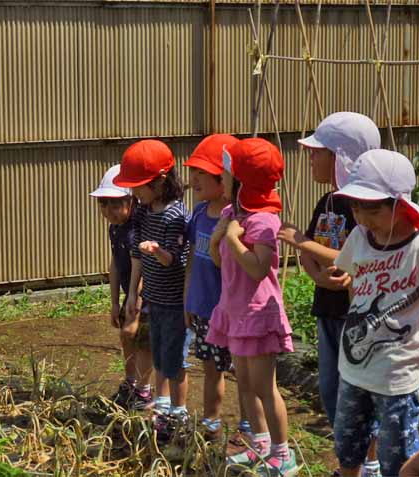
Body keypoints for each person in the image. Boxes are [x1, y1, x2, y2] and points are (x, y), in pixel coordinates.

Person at [329, 149, 419, 477]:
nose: (362, 217)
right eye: (356, 207)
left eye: (372, 209)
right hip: (353, 366)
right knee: (347, 444)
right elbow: (354, 283)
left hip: (396, 373)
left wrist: (408, 323)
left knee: (397, 454)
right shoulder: (359, 237)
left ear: (400, 206)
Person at [277, 112, 383, 477]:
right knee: (331, 390)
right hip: (327, 309)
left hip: (357, 317)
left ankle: (369, 465)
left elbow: (354, 258)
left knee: (360, 394)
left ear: (342, 157)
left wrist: (300, 242)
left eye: (317, 152)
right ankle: (350, 463)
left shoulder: (364, 208)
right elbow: (311, 254)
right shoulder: (326, 202)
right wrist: (317, 276)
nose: (310, 158)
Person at [208, 138, 298, 476]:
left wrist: (232, 238)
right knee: (244, 383)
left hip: (258, 313)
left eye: (227, 173)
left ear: (243, 181)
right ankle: (260, 443)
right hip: (235, 311)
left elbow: (259, 269)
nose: (222, 176)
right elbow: (220, 261)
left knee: (263, 386)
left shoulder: (263, 221)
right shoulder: (232, 214)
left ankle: (283, 454)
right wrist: (218, 239)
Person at [113, 139, 191, 438]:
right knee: (158, 354)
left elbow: (176, 259)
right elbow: (136, 253)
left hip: (174, 300)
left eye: (139, 186)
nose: (135, 193)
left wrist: (157, 251)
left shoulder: (176, 215)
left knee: (174, 359)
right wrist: (133, 293)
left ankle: (179, 413)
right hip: (152, 297)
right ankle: (162, 407)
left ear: (160, 181)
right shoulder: (144, 211)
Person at [183, 133, 244, 442]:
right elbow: (193, 258)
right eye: (193, 171)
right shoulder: (198, 213)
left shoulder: (237, 219)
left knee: (244, 372)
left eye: (202, 172)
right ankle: (211, 422)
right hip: (205, 307)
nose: (194, 179)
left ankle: (250, 426)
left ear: (225, 179)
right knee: (210, 367)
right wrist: (188, 299)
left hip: (233, 311)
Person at [90, 165, 154, 410]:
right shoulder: (115, 228)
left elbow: (146, 268)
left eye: (115, 204)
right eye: (103, 204)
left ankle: (144, 390)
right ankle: (130, 382)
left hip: (148, 292)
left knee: (142, 339)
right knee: (125, 335)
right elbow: (115, 264)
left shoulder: (138, 228)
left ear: (131, 200)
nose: (108, 211)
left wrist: (135, 308)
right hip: (130, 292)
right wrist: (115, 302)